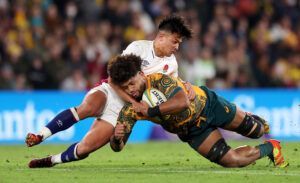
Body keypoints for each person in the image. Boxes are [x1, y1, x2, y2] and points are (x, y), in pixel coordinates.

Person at [26, 15, 194, 168]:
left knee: (84, 149)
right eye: (175, 41)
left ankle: (51, 160)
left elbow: (171, 89)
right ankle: (40, 135)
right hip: (112, 92)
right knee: (87, 108)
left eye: (179, 43)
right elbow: (113, 80)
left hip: (125, 111)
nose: (177, 47)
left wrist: (186, 86)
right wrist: (135, 103)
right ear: (161, 37)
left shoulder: (172, 65)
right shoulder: (138, 48)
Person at [108, 54, 289, 168]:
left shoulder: (158, 80)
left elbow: (182, 101)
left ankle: (250, 117)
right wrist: (116, 138)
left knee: (256, 130)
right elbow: (118, 147)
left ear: (141, 74)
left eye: (132, 83)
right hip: (192, 131)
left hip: (209, 105)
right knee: (231, 161)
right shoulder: (130, 110)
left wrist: (151, 111)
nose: (131, 90)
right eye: (125, 87)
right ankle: (272, 148)